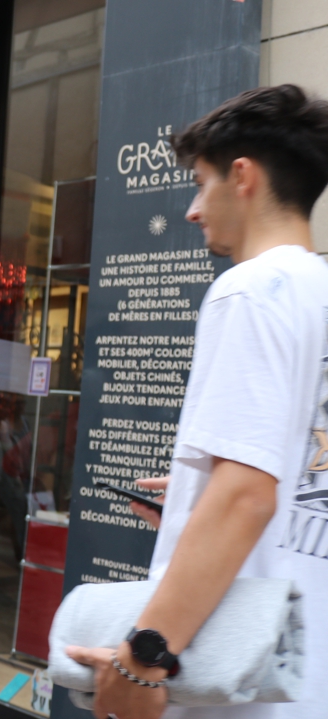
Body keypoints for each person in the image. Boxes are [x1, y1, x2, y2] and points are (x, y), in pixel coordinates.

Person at [66, 85, 328, 719]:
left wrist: (144, 658)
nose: (191, 209)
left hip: (238, 687)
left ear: (243, 176)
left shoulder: (249, 290)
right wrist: (194, 499)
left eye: (200, 181)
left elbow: (247, 495)